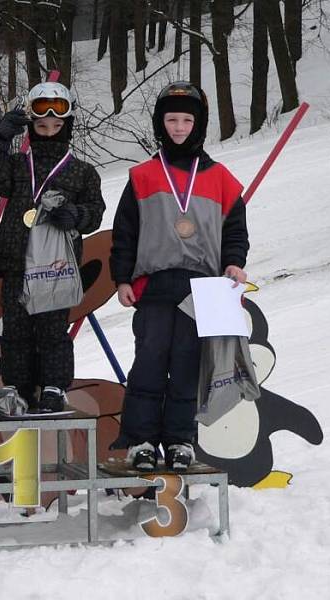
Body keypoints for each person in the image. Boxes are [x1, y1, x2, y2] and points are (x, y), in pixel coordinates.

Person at [109, 81, 249, 471]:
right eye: (172, 119)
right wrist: (122, 279)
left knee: (188, 364)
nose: (179, 127)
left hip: (202, 289)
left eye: (187, 119)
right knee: (150, 360)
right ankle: (140, 441)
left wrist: (234, 262)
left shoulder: (221, 179)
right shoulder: (142, 176)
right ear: (161, 123)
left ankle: (179, 439)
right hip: (153, 285)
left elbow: (235, 230)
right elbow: (125, 233)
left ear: (199, 124)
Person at [0, 82, 105, 413]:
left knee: (52, 331)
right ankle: (17, 388)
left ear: (67, 127)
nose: (49, 132)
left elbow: (96, 213)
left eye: (57, 126)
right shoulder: (20, 166)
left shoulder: (82, 172)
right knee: (16, 330)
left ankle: (54, 387)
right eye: (42, 126)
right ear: (31, 127)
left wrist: (77, 215)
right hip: (17, 261)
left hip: (56, 267)